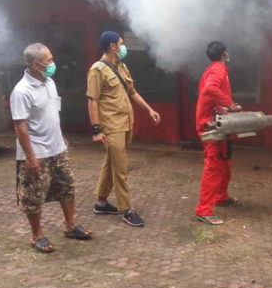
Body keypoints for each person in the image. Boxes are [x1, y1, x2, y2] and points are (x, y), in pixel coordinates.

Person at [10, 43, 92, 253]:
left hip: (58, 149)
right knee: (33, 196)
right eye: (49, 60)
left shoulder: (49, 82)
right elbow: (20, 125)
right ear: (36, 64)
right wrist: (30, 156)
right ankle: (36, 235)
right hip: (37, 152)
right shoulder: (21, 91)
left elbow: (52, 112)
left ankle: (70, 225)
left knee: (67, 187)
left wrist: (61, 135)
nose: (53, 64)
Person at [86, 31, 160, 227]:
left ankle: (101, 203)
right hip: (111, 126)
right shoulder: (97, 70)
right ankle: (127, 209)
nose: (123, 45)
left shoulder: (122, 66)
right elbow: (92, 100)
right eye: (121, 42)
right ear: (112, 46)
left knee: (111, 162)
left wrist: (149, 109)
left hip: (126, 123)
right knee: (121, 168)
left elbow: (132, 92)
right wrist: (96, 130)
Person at [194, 41, 242, 225]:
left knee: (224, 162)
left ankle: (221, 196)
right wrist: (229, 104)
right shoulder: (217, 70)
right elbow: (210, 89)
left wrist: (226, 105)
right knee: (213, 166)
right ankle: (203, 210)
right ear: (224, 54)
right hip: (210, 125)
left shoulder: (215, 69)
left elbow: (213, 93)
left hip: (218, 123)